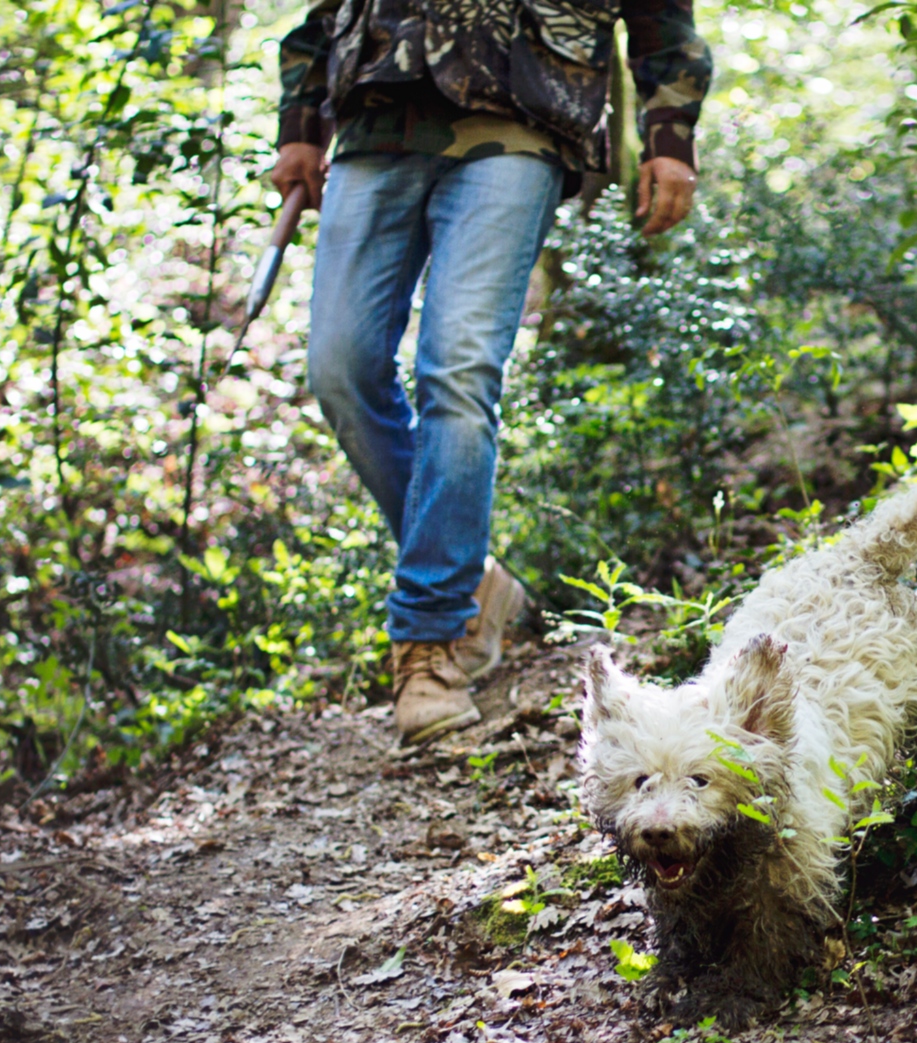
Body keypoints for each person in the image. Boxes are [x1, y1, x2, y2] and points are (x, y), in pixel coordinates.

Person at [270, 0, 710, 743]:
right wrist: (299, 123)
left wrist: (669, 137)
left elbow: (662, 15)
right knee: (339, 368)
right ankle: (475, 577)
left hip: (521, 113)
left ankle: (430, 646)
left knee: (459, 372)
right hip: (375, 112)